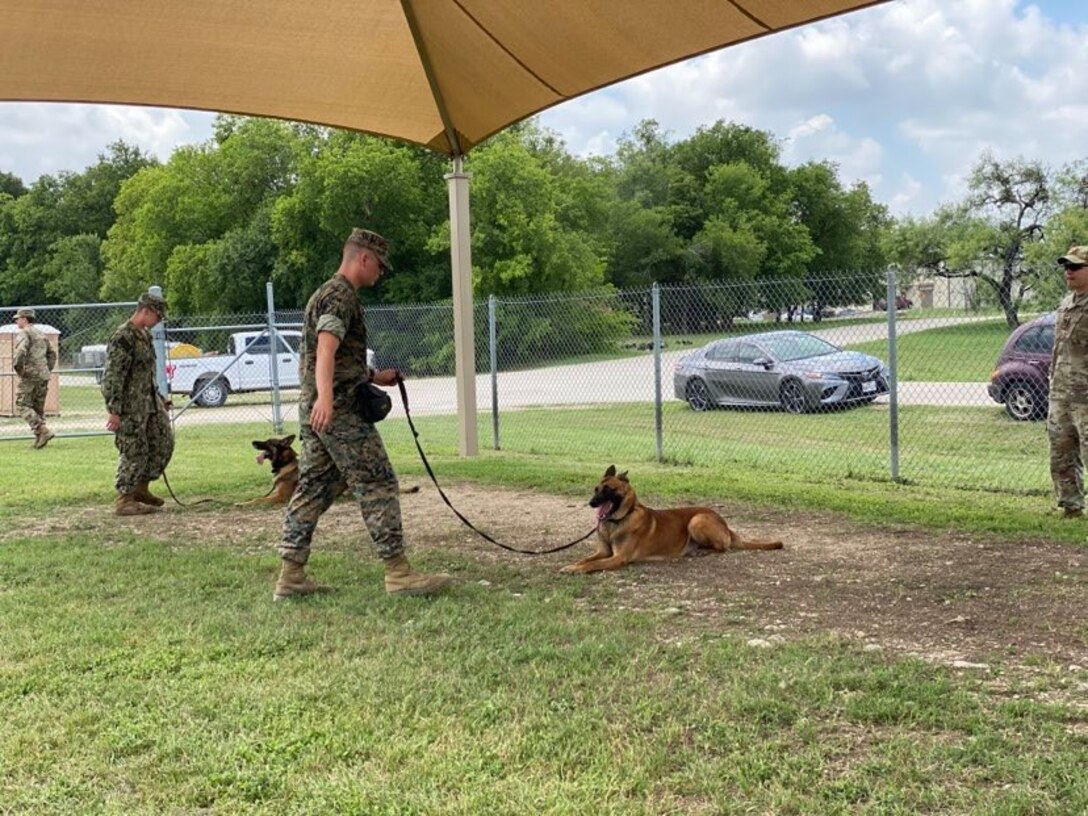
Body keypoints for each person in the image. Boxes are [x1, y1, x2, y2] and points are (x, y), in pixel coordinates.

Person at [276, 228, 450, 600]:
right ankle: (399, 573)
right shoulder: (340, 296)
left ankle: (290, 577)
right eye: (380, 266)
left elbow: (334, 359)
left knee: (314, 488)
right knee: (377, 481)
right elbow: (325, 350)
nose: (381, 273)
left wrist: (374, 377)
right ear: (363, 258)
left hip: (320, 409)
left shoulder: (327, 293)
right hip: (338, 410)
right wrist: (327, 399)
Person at [101, 292, 175, 516]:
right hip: (130, 407)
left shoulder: (145, 336)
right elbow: (113, 376)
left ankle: (141, 488)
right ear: (146, 311)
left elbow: (145, 374)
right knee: (134, 451)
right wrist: (114, 410)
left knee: (163, 442)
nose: (159, 321)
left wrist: (160, 399)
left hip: (150, 403)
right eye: (158, 316)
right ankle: (125, 498)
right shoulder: (123, 337)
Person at [1049, 246, 1088, 519]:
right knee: (1061, 453)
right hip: (1062, 392)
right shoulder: (1066, 303)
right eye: (1066, 267)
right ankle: (1071, 506)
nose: (1068, 272)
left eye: (1075, 267)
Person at [12, 307, 57, 448]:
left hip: (30, 374)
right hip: (43, 375)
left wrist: (19, 368)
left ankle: (43, 430)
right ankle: (39, 440)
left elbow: (20, 352)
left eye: (18, 318)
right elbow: (52, 354)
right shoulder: (41, 334)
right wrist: (46, 368)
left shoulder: (24, 333)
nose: (16, 321)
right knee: (37, 408)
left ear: (24, 319)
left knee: (22, 404)